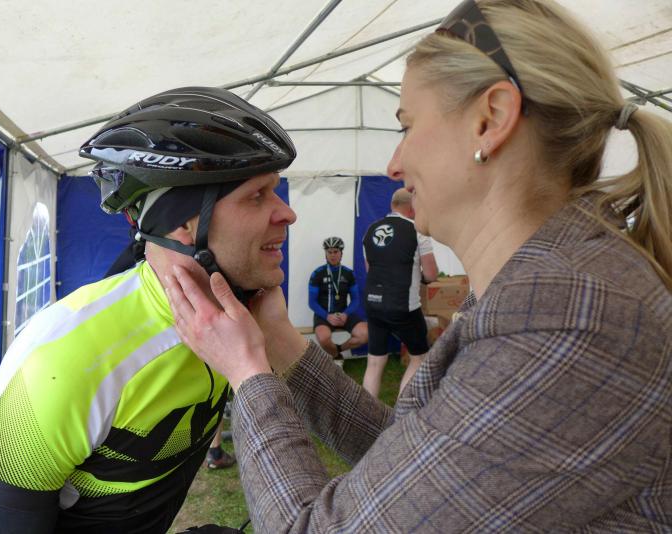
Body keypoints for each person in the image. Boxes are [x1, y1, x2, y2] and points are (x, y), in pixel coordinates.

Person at [165, 0, 672, 531]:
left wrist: (248, 375)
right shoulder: (544, 283)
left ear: (491, 120)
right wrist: (281, 343)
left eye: (406, 127)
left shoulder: (568, 314)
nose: (394, 164)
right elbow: (421, 469)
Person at [0, 87, 297, 533]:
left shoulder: (239, 324)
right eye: (258, 195)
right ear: (183, 223)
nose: (287, 214)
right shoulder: (70, 359)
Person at [361, 188, 437, 397]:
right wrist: (419, 277)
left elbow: (370, 270)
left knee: (375, 361)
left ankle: (367, 413)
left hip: (373, 303)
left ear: (392, 205)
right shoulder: (417, 231)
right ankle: (402, 410)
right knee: (418, 357)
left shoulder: (371, 230)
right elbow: (431, 274)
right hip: (404, 306)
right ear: (412, 207)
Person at [307, 236, 367, 361]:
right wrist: (327, 316)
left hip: (344, 313)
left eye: (336, 252)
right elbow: (312, 302)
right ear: (325, 253)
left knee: (365, 334)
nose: (332, 255)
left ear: (341, 253)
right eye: (329, 252)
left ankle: (337, 350)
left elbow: (356, 300)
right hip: (323, 314)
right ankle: (337, 357)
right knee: (323, 338)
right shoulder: (317, 274)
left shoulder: (349, 273)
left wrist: (345, 314)